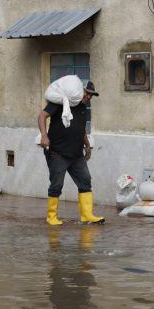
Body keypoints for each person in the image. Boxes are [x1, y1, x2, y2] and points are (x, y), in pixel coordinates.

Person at [38, 80, 104, 226]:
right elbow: (42, 116)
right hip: (57, 153)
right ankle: (52, 216)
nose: (88, 97)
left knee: (85, 181)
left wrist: (87, 146)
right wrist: (44, 135)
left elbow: (81, 130)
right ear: (80, 91)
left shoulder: (83, 109)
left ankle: (86, 215)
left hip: (76, 155)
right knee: (56, 185)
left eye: (91, 95)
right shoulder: (61, 102)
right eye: (87, 93)